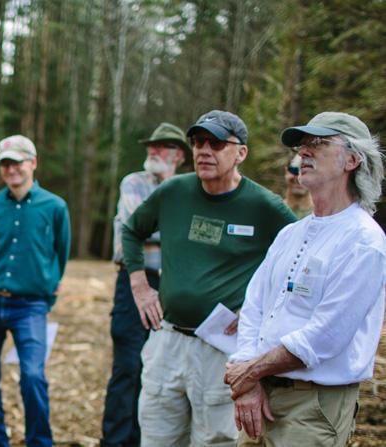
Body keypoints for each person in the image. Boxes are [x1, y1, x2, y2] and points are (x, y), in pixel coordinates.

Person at [122, 110, 297, 446]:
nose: (204, 151)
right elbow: (131, 230)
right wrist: (140, 286)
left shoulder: (264, 206)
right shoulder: (174, 191)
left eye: (216, 144)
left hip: (222, 350)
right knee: (157, 437)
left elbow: (299, 258)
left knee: (215, 440)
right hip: (167, 340)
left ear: (241, 152)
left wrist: (262, 311)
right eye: (198, 142)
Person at [225, 112, 386, 446]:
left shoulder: (364, 240)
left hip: (313, 405)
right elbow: (255, 306)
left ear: (352, 160)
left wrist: (250, 373)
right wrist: (249, 382)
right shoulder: (289, 233)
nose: (304, 153)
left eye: (319, 143)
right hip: (259, 396)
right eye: (302, 146)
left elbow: (326, 335)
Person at [0, 135, 71, 447]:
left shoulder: (55, 207)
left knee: (32, 376)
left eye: (17, 162)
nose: (11, 169)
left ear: (33, 163)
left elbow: (61, 253)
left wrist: (46, 294)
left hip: (30, 306)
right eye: (5, 164)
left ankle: (39, 441)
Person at [100, 122, 189, 447]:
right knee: (127, 364)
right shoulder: (134, 182)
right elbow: (132, 231)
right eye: (151, 145)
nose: (153, 150)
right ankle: (114, 441)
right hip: (134, 280)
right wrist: (173, 236)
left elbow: (192, 238)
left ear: (178, 154)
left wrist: (158, 236)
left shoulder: (188, 187)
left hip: (175, 285)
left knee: (160, 369)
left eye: (162, 145)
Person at [283, 154, 313, 218]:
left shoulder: (322, 214)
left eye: (305, 172)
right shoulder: (275, 211)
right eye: (295, 171)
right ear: (286, 171)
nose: (299, 178)